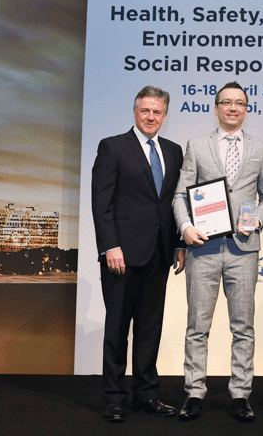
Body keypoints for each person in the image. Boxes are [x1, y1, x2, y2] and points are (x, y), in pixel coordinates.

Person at [172, 81, 263, 422]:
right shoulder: (197, 145)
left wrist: (258, 220)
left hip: (244, 251)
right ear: (215, 108)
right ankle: (194, 392)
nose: (233, 108)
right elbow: (180, 195)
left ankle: (241, 394)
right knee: (196, 327)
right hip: (203, 248)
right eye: (226, 102)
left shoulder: (261, 147)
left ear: (246, 109)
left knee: (243, 327)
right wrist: (186, 228)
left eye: (239, 103)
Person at [91, 86, 184, 423]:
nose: (151, 117)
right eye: (145, 110)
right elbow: (101, 203)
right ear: (135, 112)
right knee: (117, 330)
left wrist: (179, 245)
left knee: (149, 329)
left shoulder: (173, 152)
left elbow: (176, 203)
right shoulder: (113, 146)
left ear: (164, 115)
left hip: (159, 256)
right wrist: (109, 246)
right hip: (121, 256)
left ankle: (145, 395)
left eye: (157, 112)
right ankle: (114, 399)